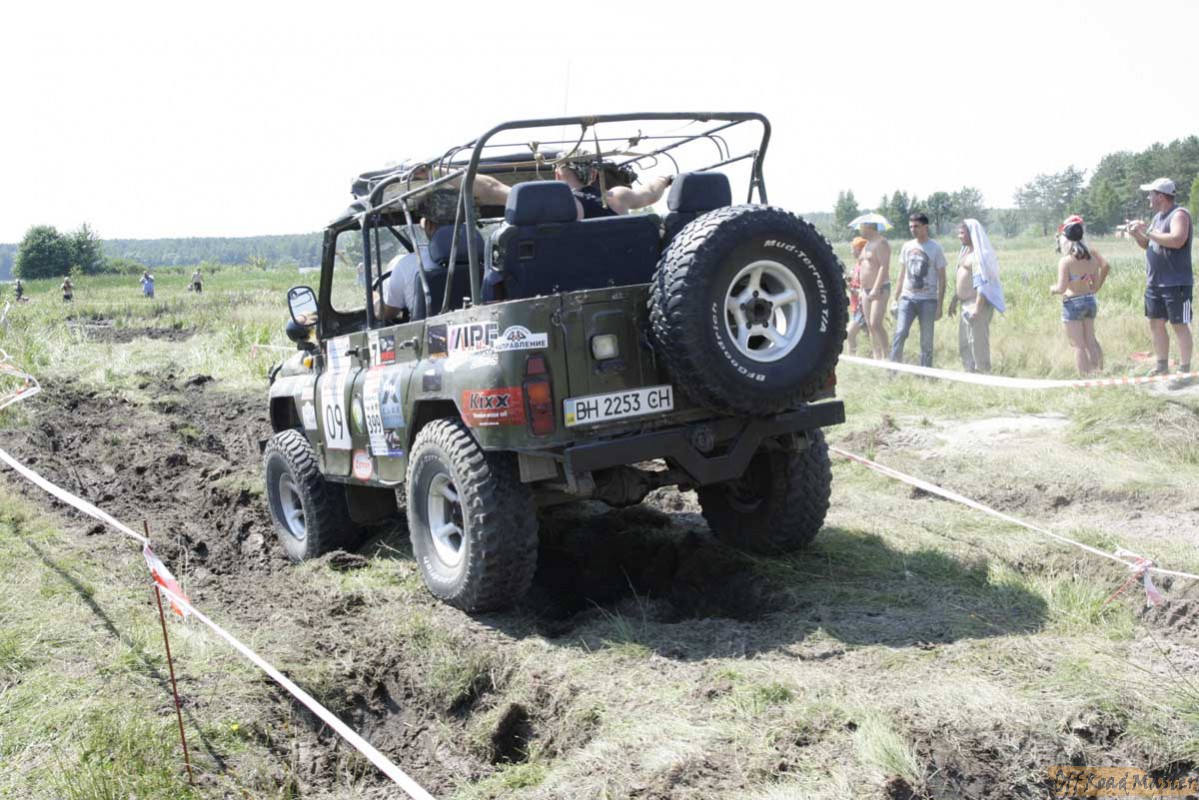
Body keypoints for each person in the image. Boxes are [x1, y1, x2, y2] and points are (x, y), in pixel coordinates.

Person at [1127, 178, 1193, 383]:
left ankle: (1184, 371)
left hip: (1176, 283)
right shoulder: (1157, 218)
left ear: (1161, 196)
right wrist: (1137, 234)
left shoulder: (1179, 214)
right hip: (1155, 283)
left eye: (1151, 194)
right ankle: (1162, 366)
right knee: (1156, 324)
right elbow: (1148, 244)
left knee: (1179, 325)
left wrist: (1148, 231)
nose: (1149, 197)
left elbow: (1177, 240)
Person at [1051, 215, 1110, 375]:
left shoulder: (1065, 261)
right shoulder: (1092, 258)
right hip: (1090, 300)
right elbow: (1096, 282)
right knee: (1091, 340)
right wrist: (1095, 287)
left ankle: (1084, 377)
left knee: (1078, 345)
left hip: (1072, 302)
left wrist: (1053, 289)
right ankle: (1099, 372)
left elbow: (1062, 288)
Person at [890, 213, 947, 366]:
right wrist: (895, 298)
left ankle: (925, 372)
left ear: (925, 227)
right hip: (907, 298)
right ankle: (893, 370)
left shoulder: (935, 248)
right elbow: (902, 274)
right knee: (900, 332)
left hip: (928, 300)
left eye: (916, 226)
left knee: (926, 340)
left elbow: (942, 278)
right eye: (911, 226)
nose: (912, 229)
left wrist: (940, 305)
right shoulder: (907, 247)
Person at [948, 219, 1004, 373]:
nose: (959, 236)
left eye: (962, 233)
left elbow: (983, 283)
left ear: (971, 233)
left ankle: (983, 372)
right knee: (965, 341)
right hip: (965, 303)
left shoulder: (980, 255)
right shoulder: (965, 252)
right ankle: (969, 372)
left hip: (976, 303)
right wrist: (955, 299)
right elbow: (963, 278)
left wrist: (978, 308)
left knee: (978, 341)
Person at [553, 162, 672, 220]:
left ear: (557, 176)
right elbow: (651, 193)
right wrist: (662, 180)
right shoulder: (619, 196)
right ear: (593, 174)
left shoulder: (559, 205)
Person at [857, 222, 892, 359]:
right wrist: (861, 289)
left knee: (875, 323)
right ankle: (876, 357)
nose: (860, 231)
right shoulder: (867, 244)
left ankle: (886, 355)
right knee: (869, 326)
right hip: (865, 289)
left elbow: (884, 266)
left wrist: (876, 288)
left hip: (879, 288)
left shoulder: (881, 243)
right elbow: (862, 264)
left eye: (861, 228)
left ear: (869, 228)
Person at [845, 236, 868, 354]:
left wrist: (852, 290)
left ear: (860, 249)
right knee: (869, 335)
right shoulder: (857, 265)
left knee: (849, 333)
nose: (851, 251)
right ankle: (875, 355)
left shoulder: (866, 266)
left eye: (852, 248)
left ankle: (852, 359)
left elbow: (867, 290)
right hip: (856, 307)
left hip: (862, 307)